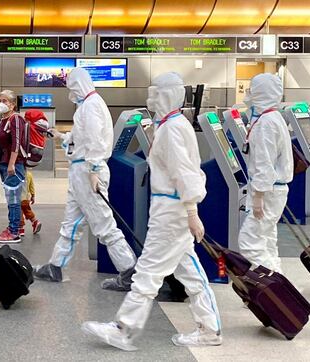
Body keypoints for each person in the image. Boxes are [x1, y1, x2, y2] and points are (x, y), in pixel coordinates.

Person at [81, 72, 222, 350]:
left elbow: (185, 172)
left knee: (148, 271)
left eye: (156, 93)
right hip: (173, 208)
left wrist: (191, 211)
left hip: (171, 211)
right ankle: (209, 329)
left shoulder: (172, 129)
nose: (151, 97)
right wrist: (190, 212)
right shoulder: (173, 124)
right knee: (191, 273)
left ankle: (124, 329)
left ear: (169, 95)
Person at [32, 68, 137, 291]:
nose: (71, 93)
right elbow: (81, 138)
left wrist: (94, 170)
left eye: (72, 88)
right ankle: (56, 266)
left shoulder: (90, 106)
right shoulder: (89, 105)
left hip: (88, 173)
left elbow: (95, 141)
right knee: (71, 224)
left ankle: (129, 271)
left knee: (104, 225)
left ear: (80, 85)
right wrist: (60, 136)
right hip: (81, 173)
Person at [237, 73, 293, 273]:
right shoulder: (273, 117)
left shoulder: (265, 123)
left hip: (268, 192)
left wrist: (258, 196)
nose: (248, 93)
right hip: (275, 190)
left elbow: (264, 163)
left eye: (252, 89)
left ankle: (272, 283)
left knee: (249, 242)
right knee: (267, 240)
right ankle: (277, 283)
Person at [0, 90, 28, 243]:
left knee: (13, 199)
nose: (1, 103)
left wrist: (12, 164)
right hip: (4, 164)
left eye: (5, 101)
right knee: (10, 198)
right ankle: (14, 227)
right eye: (0, 100)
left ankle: (14, 231)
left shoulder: (15, 119)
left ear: (13, 104)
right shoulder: (4, 120)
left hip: (13, 165)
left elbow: (16, 142)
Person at [18, 110, 49, 236]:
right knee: (24, 206)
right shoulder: (41, 127)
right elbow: (31, 183)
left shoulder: (27, 126)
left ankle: (22, 227)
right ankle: (34, 222)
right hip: (33, 158)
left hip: (22, 190)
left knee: (19, 205)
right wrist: (33, 194)